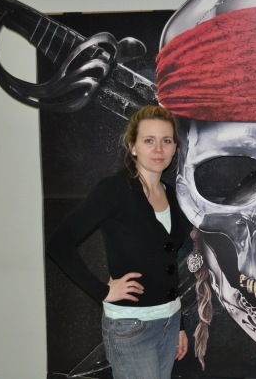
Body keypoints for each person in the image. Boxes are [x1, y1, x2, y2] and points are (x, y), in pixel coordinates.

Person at [46, 105, 189, 379]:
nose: (158, 149)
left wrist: (179, 323)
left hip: (169, 322)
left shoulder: (170, 193)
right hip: (131, 328)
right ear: (132, 146)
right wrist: (101, 291)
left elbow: (167, 263)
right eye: (149, 140)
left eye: (166, 141)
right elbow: (59, 243)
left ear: (174, 148)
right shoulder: (113, 191)